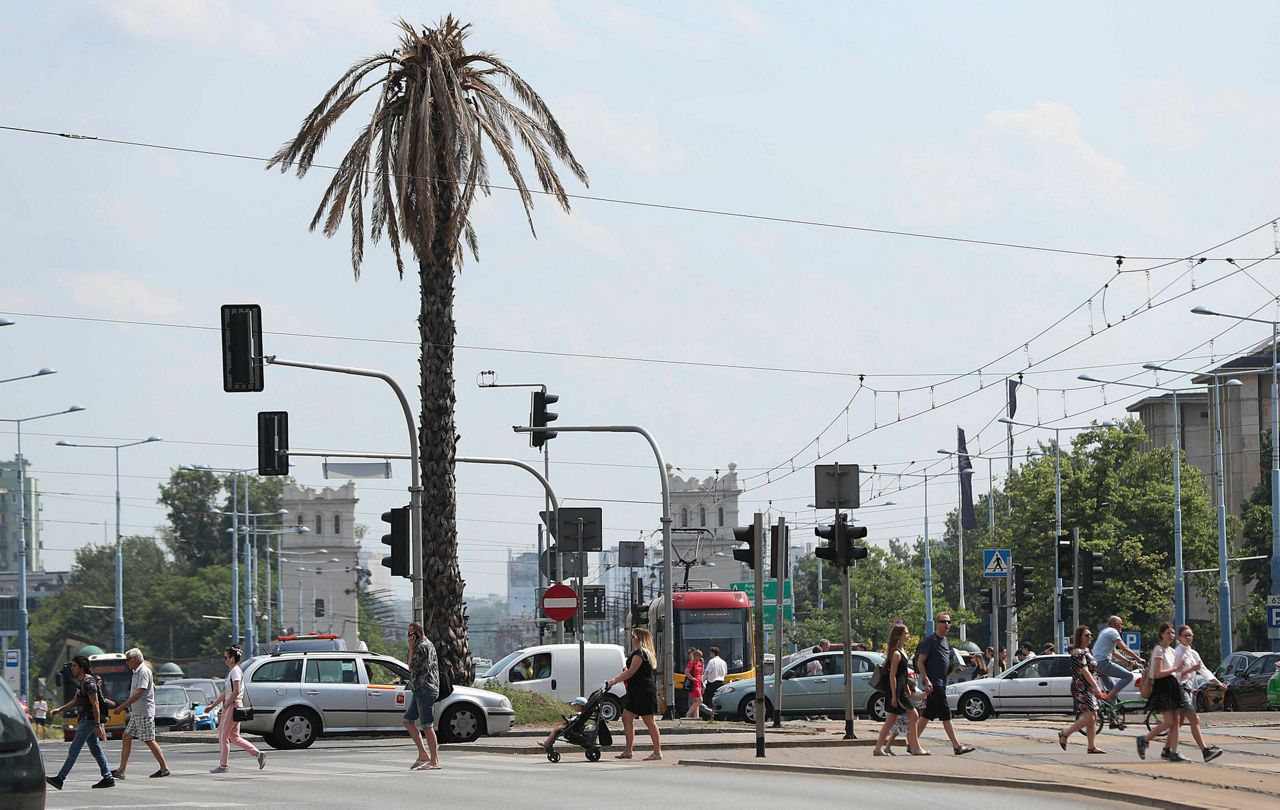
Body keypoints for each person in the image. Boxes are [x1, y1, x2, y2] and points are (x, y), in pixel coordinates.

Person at [45, 655, 114, 790]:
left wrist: (98, 725)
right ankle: (108, 777)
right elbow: (75, 701)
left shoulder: (89, 683)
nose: (72, 668)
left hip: (88, 720)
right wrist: (59, 709)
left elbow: (95, 704)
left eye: (74, 666)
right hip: (85, 719)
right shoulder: (82, 682)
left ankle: (60, 779)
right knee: (95, 749)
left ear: (81, 668)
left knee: (74, 749)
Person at [915, 613, 975, 756]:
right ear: (937, 623)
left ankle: (911, 743)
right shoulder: (931, 640)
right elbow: (920, 661)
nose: (946, 624)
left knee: (927, 714)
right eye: (943, 621)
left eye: (948, 622)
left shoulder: (944, 641)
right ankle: (956, 746)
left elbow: (944, 664)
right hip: (934, 684)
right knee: (946, 715)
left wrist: (953, 670)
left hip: (941, 682)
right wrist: (927, 680)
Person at [1136, 622, 1192, 762]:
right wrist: (1175, 668)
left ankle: (1173, 751)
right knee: (1169, 721)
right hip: (1163, 686)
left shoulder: (1171, 651)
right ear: (1161, 634)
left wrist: (1182, 670)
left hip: (1172, 684)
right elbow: (1159, 673)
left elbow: (1173, 670)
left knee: (1175, 720)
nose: (1171, 635)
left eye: (1173, 633)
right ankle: (1144, 738)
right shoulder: (1159, 650)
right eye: (1168, 633)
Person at [111, 647, 170, 780]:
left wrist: (121, 707)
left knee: (149, 739)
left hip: (143, 712)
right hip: (137, 712)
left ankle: (164, 768)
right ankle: (121, 770)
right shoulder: (136, 672)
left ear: (136, 659)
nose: (127, 662)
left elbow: (140, 692)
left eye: (128, 660)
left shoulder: (143, 671)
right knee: (126, 736)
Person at [606, 627, 662, 760]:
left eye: (633, 636)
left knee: (649, 721)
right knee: (626, 717)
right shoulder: (642, 653)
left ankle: (657, 752)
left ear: (639, 638)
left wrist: (614, 681)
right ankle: (628, 750)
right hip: (637, 690)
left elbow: (631, 672)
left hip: (643, 691)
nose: (631, 639)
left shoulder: (640, 654)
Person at [208, 646, 266, 774]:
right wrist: (213, 705)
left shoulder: (235, 671)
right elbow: (226, 692)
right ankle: (257, 754)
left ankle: (223, 765)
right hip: (234, 705)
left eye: (226, 657)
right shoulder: (234, 671)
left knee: (223, 736)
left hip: (233, 705)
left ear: (232, 659)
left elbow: (236, 690)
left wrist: (227, 704)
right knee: (234, 737)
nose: (224, 660)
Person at [1172, 625, 1225, 762]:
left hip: (1188, 690)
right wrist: (1190, 670)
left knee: (1178, 722)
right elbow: (1175, 675)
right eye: (1186, 635)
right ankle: (1205, 751)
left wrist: (1218, 683)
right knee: (1195, 720)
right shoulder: (1177, 653)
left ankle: (1169, 750)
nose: (1189, 638)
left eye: (1191, 635)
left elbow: (1204, 670)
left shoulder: (1193, 653)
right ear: (1179, 637)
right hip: (1180, 688)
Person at [874, 623, 924, 756]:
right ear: (899, 636)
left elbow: (903, 675)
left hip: (902, 690)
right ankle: (915, 747)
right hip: (897, 692)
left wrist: (907, 686)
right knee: (914, 715)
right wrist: (895, 696)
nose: (908, 636)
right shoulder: (896, 653)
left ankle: (878, 748)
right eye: (906, 633)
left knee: (890, 721)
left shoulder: (902, 652)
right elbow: (893, 676)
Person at [1056, 626, 1109, 754]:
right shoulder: (1077, 652)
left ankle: (1091, 746)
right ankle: (1065, 733)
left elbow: (1092, 670)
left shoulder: (1087, 651)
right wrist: (1096, 687)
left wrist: (1096, 685)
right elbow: (1084, 671)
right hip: (1081, 687)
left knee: (1094, 716)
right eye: (1087, 635)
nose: (1090, 637)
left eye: (1090, 635)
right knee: (1089, 718)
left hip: (1089, 687)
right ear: (1080, 637)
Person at [403, 622, 441, 770]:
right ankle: (423, 754)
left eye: (410, 635)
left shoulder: (422, 647)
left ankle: (435, 760)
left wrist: (411, 649)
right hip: (420, 688)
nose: (408, 638)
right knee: (408, 720)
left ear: (418, 634)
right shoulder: (428, 644)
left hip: (426, 689)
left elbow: (411, 667)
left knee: (427, 725)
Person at [1092, 615, 1145, 702]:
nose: (1122, 626)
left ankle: (1112, 712)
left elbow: (1114, 653)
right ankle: (1108, 698)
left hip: (1097, 664)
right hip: (1103, 663)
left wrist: (1128, 662)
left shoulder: (1105, 632)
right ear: (1115, 624)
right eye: (1121, 624)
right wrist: (1138, 659)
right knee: (1129, 676)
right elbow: (1124, 648)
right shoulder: (1113, 631)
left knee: (1113, 688)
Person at [880, 671, 924, 755]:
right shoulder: (906, 691)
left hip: (903, 714)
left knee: (897, 731)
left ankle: (888, 747)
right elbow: (914, 698)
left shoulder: (906, 690)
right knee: (907, 730)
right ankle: (911, 746)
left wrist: (925, 693)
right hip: (903, 714)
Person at [702, 645, 727, 721]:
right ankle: (719, 716)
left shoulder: (711, 661)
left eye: (710, 653)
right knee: (718, 700)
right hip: (721, 683)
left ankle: (707, 717)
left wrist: (702, 680)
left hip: (711, 683)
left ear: (713, 653)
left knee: (706, 700)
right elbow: (725, 673)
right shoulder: (723, 662)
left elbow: (707, 673)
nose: (710, 654)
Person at [684, 649, 704, 719]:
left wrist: (703, 664)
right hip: (694, 684)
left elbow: (701, 673)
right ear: (695, 656)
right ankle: (688, 714)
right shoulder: (691, 663)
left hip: (699, 683)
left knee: (695, 701)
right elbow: (686, 672)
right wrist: (692, 678)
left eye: (701, 656)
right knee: (699, 700)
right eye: (699, 656)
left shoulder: (700, 663)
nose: (700, 658)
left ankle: (696, 717)